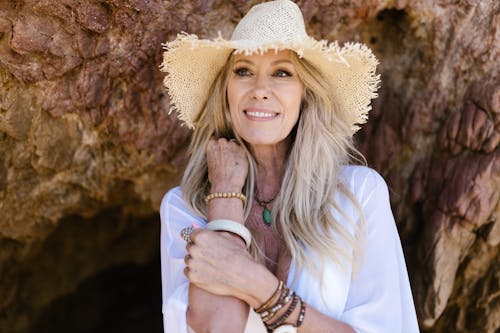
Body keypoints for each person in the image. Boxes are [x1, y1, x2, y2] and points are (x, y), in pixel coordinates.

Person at [159, 0, 419, 332]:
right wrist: (224, 193)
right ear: (225, 92)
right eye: (243, 71)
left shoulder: (357, 194)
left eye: (281, 73)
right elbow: (217, 325)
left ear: (305, 94)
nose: (260, 91)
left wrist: (257, 286)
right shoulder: (183, 207)